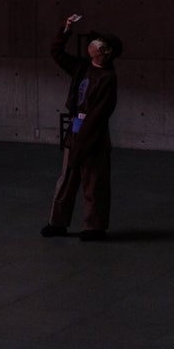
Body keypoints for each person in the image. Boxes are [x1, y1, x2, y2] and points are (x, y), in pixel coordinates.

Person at [40, 13, 122, 241]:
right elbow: (57, 53)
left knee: (94, 182)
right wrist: (66, 29)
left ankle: (94, 228)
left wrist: (81, 144)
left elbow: (98, 115)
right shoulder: (83, 67)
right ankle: (57, 223)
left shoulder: (107, 78)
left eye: (97, 43)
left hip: (94, 136)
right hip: (76, 129)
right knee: (66, 179)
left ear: (105, 52)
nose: (92, 44)